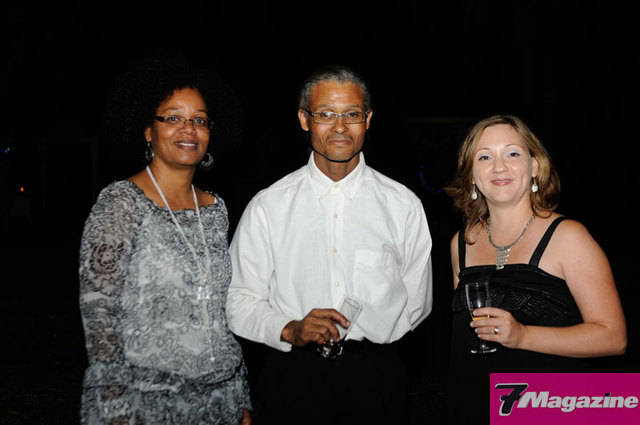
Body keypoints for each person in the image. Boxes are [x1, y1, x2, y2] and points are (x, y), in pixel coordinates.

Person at [226, 65, 433, 425]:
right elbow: (237, 299)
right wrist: (290, 328)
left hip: (377, 380)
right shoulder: (268, 206)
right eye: (325, 114)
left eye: (351, 114)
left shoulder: (402, 205)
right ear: (304, 120)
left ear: (368, 120)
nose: (340, 127)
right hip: (293, 376)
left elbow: (418, 303)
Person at [78, 56, 251, 424]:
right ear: (148, 130)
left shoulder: (216, 209)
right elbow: (98, 313)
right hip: (146, 404)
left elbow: (221, 313)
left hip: (219, 402)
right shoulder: (121, 203)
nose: (188, 129)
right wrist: (114, 409)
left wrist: (242, 397)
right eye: (173, 118)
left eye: (199, 120)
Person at [444, 114, 627, 423]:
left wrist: (523, 336)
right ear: (471, 175)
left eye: (512, 153)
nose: (499, 166)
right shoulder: (462, 242)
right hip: (476, 402)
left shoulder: (569, 236)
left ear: (534, 167)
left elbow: (614, 338)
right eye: (485, 157)